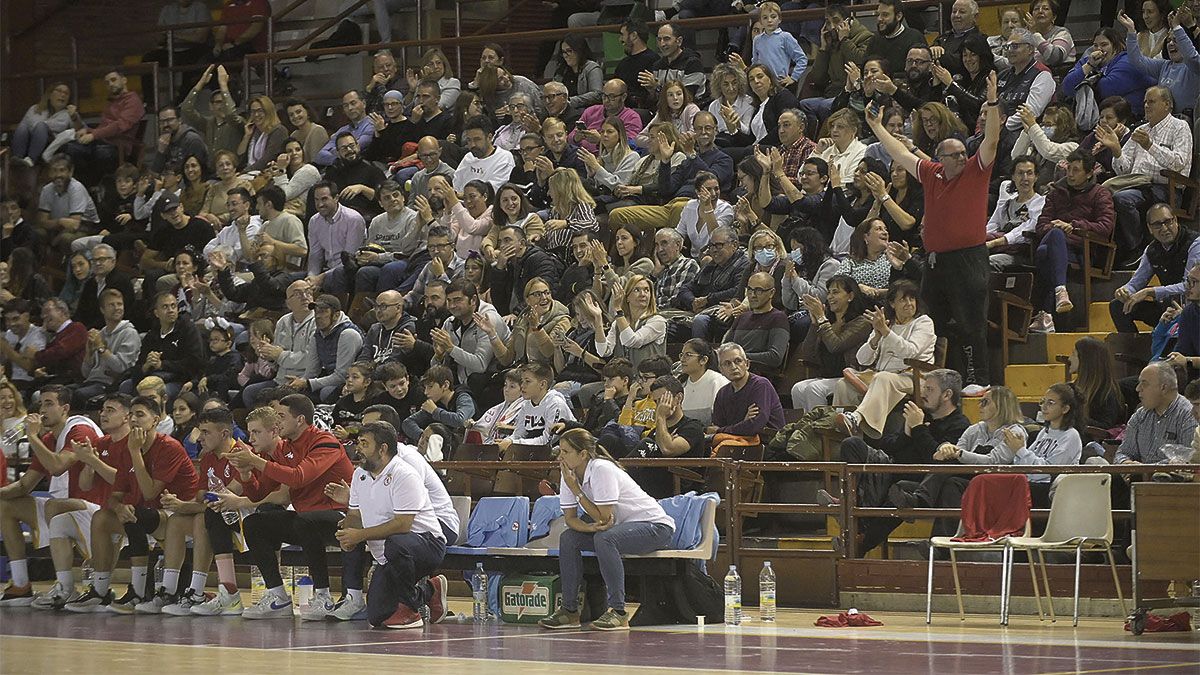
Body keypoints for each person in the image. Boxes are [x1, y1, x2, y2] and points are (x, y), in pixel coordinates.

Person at [865, 72, 1000, 388]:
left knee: (971, 324)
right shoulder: (932, 173)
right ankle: (923, 381)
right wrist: (876, 127)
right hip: (937, 262)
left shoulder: (975, 171)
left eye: (962, 154)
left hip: (969, 260)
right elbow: (900, 154)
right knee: (927, 321)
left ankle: (975, 381)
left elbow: (992, 139)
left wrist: (992, 102)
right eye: (954, 155)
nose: (961, 158)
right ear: (941, 157)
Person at [222, 395, 352, 621]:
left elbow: (298, 478)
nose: (277, 421)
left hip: (343, 516)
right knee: (254, 524)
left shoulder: (325, 442)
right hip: (307, 519)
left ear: (300, 419)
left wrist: (255, 461)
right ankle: (278, 597)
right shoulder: (286, 448)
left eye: (281, 416)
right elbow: (260, 495)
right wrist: (245, 472)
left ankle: (323, 596)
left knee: (305, 521)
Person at [65, 395, 198, 612]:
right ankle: (99, 591)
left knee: (135, 515)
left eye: (140, 415)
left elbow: (150, 491)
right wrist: (118, 507)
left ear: (155, 421)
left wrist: (135, 452)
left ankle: (138, 592)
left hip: (180, 513)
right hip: (148, 513)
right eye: (132, 415)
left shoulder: (168, 447)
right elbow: (116, 494)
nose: (134, 420)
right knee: (103, 517)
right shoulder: (129, 448)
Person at [537, 427, 675, 632]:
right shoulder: (569, 474)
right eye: (560, 451)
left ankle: (618, 612)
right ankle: (569, 611)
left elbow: (604, 517)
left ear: (583, 454)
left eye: (566, 452)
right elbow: (571, 519)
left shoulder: (601, 469)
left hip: (655, 527)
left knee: (605, 539)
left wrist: (576, 490)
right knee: (568, 538)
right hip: (619, 530)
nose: (560, 456)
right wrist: (589, 527)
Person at [836, 368, 970, 555]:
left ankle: (861, 540)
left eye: (930, 390)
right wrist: (907, 434)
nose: (923, 393)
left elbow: (937, 463)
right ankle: (848, 500)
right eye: (924, 388)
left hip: (921, 485)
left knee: (900, 490)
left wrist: (918, 429)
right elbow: (889, 446)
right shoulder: (920, 414)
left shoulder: (961, 425)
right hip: (894, 468)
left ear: (947, 395)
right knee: (853, 445)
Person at [0, 385, 102, 605]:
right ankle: (20, 584)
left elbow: (57, 467)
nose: (42, 409)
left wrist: (32, 437)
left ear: (65, 408)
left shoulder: (80, 430)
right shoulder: (48, 440)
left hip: (97, 509)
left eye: (49, 403)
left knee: (53, 508)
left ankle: (65, 586)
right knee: (6, 505)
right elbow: (24, 486)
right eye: (40, 403)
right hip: (64, 507)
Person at [887, 386, 1027, 527]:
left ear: (1002, 405)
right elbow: (958, 451)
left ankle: (922, 505)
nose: (980, 405)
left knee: (951, 482)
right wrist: (946, 450)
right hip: (967, 477)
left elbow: (993, 462)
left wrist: (958, 453)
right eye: (980, 401)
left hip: (992, 485)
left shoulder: (1015, 432)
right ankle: (867, 538)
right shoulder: (975, 429)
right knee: (902, 486)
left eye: (985, 402)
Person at [1096, 86, 1193, 261]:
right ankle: (1107, 253)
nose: (1146, 106)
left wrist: (1150, 146)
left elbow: (1179, 164)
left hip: (1166, 188)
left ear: (1167, 104)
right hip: (1136, 184)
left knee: (1123, 199)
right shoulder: (1141, 130)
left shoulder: (1180, 127)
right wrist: (1116, 150)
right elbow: (1124, 170)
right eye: (1145, 102)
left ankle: (1137, 249)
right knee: (1103, 196)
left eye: (1152, 101)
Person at [1029, 150, 1115, 333]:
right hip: (1054, 243)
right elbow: (1041, 225)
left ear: (1090, 173)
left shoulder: (1100, 193)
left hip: (1080, 248)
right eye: (1069, 169)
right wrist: (1054, 228)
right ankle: (1060, 291)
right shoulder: (1056, 192)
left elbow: (1106, 226)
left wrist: (1073, 226)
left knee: (1045, 252)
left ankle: (1045, 314)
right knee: (1055, 236)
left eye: (1076, 170)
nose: (1070, 174)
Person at [1110, 203, 1200, 332]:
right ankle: (1131, 348)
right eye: (1157, 225)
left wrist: (1150, 292)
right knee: (1118, 305)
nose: (1164, 228)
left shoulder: (1195, 243)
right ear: (1150, 228)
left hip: (1192, 306)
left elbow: (1189, 286)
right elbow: (1137, 282)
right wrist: (1124, 291)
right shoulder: (1151, 250)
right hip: (1166, 306)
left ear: (1175, 220)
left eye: (1167, 222)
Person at [791, 275, 872, 410]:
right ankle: (805, 428)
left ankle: (821, 427)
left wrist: (822, 319)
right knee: (797, 389)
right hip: (826, 376)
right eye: (828, 293)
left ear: (850, 296)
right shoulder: (828, 322)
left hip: (849, 377)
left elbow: (836, 346)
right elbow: (807, 354)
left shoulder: (862, 322)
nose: (830, 297)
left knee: (814, 389)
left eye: (835, 292)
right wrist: (814, 324)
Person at [62, 70, 145, 185]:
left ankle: (90, 187)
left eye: (113, 80)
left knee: (99, 153)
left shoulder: (132, 100)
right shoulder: (110, 103)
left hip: (119, 147)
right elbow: (103, 127)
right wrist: (87, 130)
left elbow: (119, 126)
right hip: (102, 142)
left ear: (124, 80)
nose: (110, 84)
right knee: (71, 148)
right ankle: (84, 187)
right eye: (107, 82)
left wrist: (93, 135)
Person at [1114, 362, 1198, 464]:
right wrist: (1125, 462)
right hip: (1138, 476)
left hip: (1172, 478)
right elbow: (1122, 453)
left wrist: (1144, 470)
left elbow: (1186, 460)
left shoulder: (1190, 414)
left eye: (1144, 383)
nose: (1137, 389)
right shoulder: (1139, 416)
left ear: (1163, 388)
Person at [1120, 11, 1199, 118]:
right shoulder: (1164, 66)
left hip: (1188, 123)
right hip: (1163, 121)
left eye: (1175, 40)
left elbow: (1190, 57)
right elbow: (1136, 60)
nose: (1171, 44)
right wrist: (1131, 31)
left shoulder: (1195, 66)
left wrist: (1176, 27)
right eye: (1169, 40)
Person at [1062, 27, 1156, 117]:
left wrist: (1083, 84)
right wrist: (1089, 66)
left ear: (1115, 46)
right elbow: (1067, 86)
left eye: (1104, 45)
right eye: (1095, 45)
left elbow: (1106, 89)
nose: (1099, 49)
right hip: (1102, 118)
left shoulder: (1128, 61)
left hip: (1132, 117)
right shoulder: (1088, 61)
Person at [485, 277, 571, 371]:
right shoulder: (523, 320)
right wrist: (492, 334)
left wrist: (536, 328)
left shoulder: (562, 320)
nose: (544, 298)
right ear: (527, 300)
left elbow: (549, 352)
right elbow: (507, 359)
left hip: (546, 374)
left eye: (547, 293)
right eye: (538, 294)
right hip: (523, 372)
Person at [75, 289, 142, 407]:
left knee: (78, 395)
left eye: (120, 304)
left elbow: (122, 367)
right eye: (112, 305)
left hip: (109, 385)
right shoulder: (99, 334)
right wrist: (89, 352)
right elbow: (86, 373)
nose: (117, 308)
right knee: (57, 393)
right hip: (90, 382)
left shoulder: (129, 333)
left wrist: (101, 348)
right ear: (102, 310)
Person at [296, 295, 365, 403]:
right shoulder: (317, 335)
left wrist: (308, 383)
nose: (317, 316)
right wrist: (299, 382)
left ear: (336, 315)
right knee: (295, 393)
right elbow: (311, 372)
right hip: (330, 378)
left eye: (323, 312)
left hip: (350, 382)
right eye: (316, 312)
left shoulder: (348, 334)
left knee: (326, 392)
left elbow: (342, 376)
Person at [709, 342, 785, 437]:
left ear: (747, 364)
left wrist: (723, 430)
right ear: (721, 370)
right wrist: (743, 423)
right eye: (727, 363)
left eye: (738, 361)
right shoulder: (722, 393)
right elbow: (717, 427)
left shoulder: (760, 385)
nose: (733, 367)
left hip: (767, 444)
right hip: (734, 444)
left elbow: (754, 426)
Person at [724, 270, 790, 375]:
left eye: (758, 290)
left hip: (757, 375)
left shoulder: (778, 318)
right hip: (730, 373)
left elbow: (775, 357)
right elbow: (726, 347)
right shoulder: (741, 317)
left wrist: (739, 357)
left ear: (771, 293)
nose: (752, 295)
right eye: (749, 290)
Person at [498, 363, 576, 449]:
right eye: (522, 381)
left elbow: (547, 441)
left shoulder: (555, 404)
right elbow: (518, 435)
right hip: (536, 451)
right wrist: (507, 442)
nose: (522, 386)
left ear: (542, 384)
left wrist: (513, 443)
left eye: (527, 381)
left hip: (562, 450)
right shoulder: (526, 404)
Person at [986, 156, 1044, 270]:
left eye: (1029, 173)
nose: (1025, 178)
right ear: (1013, 177)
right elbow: (992, 226)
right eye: (1020, 173)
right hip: (998, 247)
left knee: (989, 262)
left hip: (1020, 253)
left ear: (1036, 177)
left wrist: (993, 243)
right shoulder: (1006, 204)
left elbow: (1027, 230)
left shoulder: (1040, 203)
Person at [36, 154, 100, 250]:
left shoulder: (77, 188)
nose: (58, 175)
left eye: (62, 170)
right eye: (54, 171)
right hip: (59, 226)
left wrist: (53, 242)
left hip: (86, 228)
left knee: (66, 239)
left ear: (70, 172)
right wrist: (60, 222)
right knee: (37, 233)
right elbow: (41, 221)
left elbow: (74, 225)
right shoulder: (47, 189)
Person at [182, 66, 245, 163]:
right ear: (211, 106)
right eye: (219, 102)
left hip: (234, 172)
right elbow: (186, 109)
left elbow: (230, 115)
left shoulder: (238, 122)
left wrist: (224, 85)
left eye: (225, 102)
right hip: (213, 173)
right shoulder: (208, 123)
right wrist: (200, 83)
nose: (223, 106)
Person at [1069, 336, 1128, 429]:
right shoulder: (1071, 388)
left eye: (1073, 354)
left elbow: (1106, 426)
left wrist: (1074, 417)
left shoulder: (1107, 393)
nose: (1069, 358)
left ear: (1085, 360)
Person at [642, 22, 707, 102]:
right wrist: (651, 90)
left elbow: (686, 97)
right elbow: (655, 101)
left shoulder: (692, 64)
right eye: (659, 40)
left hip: (690, 110)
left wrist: (657, 87)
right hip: (665, 111)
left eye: (666, 39)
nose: (662, 44)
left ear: (679, 41)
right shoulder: (657, 65)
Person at [11, 82, 72, 166]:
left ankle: (30, 160)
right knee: (22, 127)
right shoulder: (35, 109)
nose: (63, 95)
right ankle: (17, 160)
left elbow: (58, 128)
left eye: (66, 93)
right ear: (50, 94)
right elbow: (25, 126)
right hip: (28, 141)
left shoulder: (67, 114)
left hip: (49, 147)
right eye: (59, 91)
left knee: (41, 126)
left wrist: (40, 127)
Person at [454, 115, 516, 192]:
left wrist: (464, 196)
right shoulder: (468, 157)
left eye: (477, 139)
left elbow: (493, 191)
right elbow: (456, 186)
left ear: (490, 137)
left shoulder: (504, 158)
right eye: (469, 140)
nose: (472, 145)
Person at [315, 90, 375, 167]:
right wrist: (335, 161)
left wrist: (335, 150)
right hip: (341, 168)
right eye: (346, 106)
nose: (350, 108)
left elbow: (354, 148)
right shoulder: (342, 130)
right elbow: (320, 155)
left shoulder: (372, 124)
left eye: (353, 103)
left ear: (364, 103)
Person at [0, 300, 46, 393]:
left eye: (15, 319)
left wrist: (6, 348)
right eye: (7, 320)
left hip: (27, 384)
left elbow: (30, 367)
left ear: (27, 316)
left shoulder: (38, 336)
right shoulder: (10, 334)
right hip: (7, 381)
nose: (11, 324)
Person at [615, 19, 660, 109]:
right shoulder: (622, 64)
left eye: (622, 35)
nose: (620, 40)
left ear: (634, 35)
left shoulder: (654, 61)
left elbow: (653, 97)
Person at [286, 98, 330, 164]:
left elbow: (316, 162)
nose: (295, 116)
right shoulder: (293, 135)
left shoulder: (318, 131)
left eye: (298, 112)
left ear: (308, 112)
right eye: (291, 115)